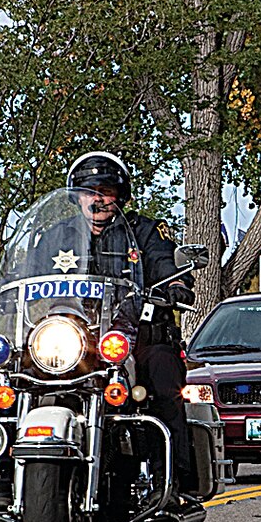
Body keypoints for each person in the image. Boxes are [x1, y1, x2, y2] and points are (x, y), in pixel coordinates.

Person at [66, 151, 196, 501]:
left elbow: (162, 261)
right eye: (89, 191)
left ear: (120, 196)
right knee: (20, 371)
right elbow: (26, 273)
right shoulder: (59, 235)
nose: (97, 199)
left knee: (162, 372)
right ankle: (7, 469)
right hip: (75, 338)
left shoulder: (144, 231)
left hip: (135, 334)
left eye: (105, 191)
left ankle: (171, 478)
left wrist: (174, 285)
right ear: (77, 196)